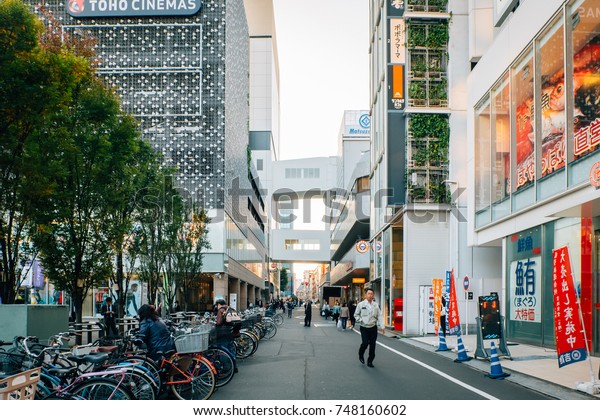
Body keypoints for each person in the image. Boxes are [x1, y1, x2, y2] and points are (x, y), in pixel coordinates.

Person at [354, 288, 384, 368]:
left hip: (373, 328)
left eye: (371, 294)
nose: (370, 295)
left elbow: (380, 315)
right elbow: (356, 315)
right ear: (365, 295)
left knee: (373, 345)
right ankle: (361, 353)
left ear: (373, 295)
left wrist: (382, 326)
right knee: (365, 343)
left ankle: (370, 361)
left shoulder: (376, 305)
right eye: (369, 294)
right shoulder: (361, 304)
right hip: (364, 328)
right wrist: (360, 320)